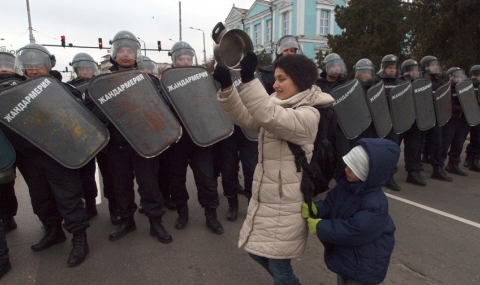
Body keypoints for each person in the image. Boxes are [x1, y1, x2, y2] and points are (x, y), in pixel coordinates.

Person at [213, 52, 334, 285]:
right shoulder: (277, 102)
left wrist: (248, 81)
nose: (276, 84)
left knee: (278, 262)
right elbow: (249, 118)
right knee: (256, 250)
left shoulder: (310, 112)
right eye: (275, 79)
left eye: (282, 79)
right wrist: (228, 88)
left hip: (287, 200)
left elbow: (269, 116)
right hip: (267, 194)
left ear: (299, 79)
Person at [85, 31, 172, 244]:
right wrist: (115, 110)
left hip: (145, 142)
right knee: (121, 186)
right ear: (114, 54)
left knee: (149, 184)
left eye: (129, 51)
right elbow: (90, 110)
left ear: (136, 54)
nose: (125, 55)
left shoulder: (149, 79)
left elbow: (164, 106)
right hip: (117, 145)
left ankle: (155, 222)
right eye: (121, 51)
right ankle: (127, 221)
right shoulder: (101, 82)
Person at [10, 43, 89, 267]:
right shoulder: (15, 93)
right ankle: (54, 232)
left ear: (49, 65)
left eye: (38, 66)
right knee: (40, 198)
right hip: (30, 157)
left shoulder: (63, 90)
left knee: (69, 198)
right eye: (29, 67)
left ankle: (80, 239)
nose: (33, 71)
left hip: (58, 155)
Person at [303, 138, 398, 285]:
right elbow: (331, 204)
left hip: (365, 264)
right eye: (348, 165)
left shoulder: (375, 203)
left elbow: (355, 230)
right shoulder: (345, 186)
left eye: (353, 168)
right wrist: (316, 209)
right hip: (349, 257)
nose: (346, 169)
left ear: (367, 173)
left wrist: (320, 226)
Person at [163, 41, 224, 234]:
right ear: (174, 61)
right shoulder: (165, 81)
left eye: (188, 58)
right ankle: (182, 211)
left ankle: (211, 214)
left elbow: (211, 102)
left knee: (206, 178)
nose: (185, 61)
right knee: (176, 179)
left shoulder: (201, 78)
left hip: (200, 138)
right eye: (181, 58)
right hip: (177, 141)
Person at [67, 52, 101, 220]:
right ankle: (83, 204)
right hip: (79, 135)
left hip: (99, 132)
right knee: (80, 172)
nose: (86, 72)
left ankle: (91, 202)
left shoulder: (99, 84)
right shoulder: (68, 87)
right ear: (76, 70)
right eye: (82, 69)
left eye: (89, 69)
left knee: (91, 172)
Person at [0, 52, 25, 234]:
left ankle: (52, 225)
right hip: (3, 144)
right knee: (4, 182)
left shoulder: (23, 85)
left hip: (23, 143)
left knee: (38, 187)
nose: (3, 69)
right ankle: (7, 218)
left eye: (7, 65)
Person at [374, 54, 404, 191]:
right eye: (389, 67)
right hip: (378, 122)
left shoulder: (400, 83)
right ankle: (374, 177)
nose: (392, 70)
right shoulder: (376, 81)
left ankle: (389, 177)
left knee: (392, 150)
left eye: (394, 68)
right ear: (383, 68)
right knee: (377, 151)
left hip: (394, 123)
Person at [420, 55, 453, 182]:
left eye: (435, 65)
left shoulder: (439, 82)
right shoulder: (417, 81)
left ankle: (437, 169)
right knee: (417, 144)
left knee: (437, 143)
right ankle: (415, 167)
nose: (435, 67)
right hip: (421, 117)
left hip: (435, 118)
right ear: (425, 67)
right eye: (432, 65)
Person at [400, 59, 428, 186]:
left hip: (415, 121)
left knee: (414, 147)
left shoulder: (420, 84)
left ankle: (413, 172)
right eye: (411, 70)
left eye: (416, 70)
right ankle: (387, 175)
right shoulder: (399, 83)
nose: (414, 72)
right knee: (394, 148)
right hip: (401, 121)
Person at [442, 67, 470, 176]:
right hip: (450, 120)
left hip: (462, 120)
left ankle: (453, 164)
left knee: (458, 143)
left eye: (461, 76)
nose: (459, 78)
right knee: (445, 143)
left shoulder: (466, 89)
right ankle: (438, 165)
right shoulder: (446, 89)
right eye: (457, 76)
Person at [464, 64, 480, 172]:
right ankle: (471, 159)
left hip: (477, 115)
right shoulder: (467, 86)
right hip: (468, 116)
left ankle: (473, 159)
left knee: (477, 139)